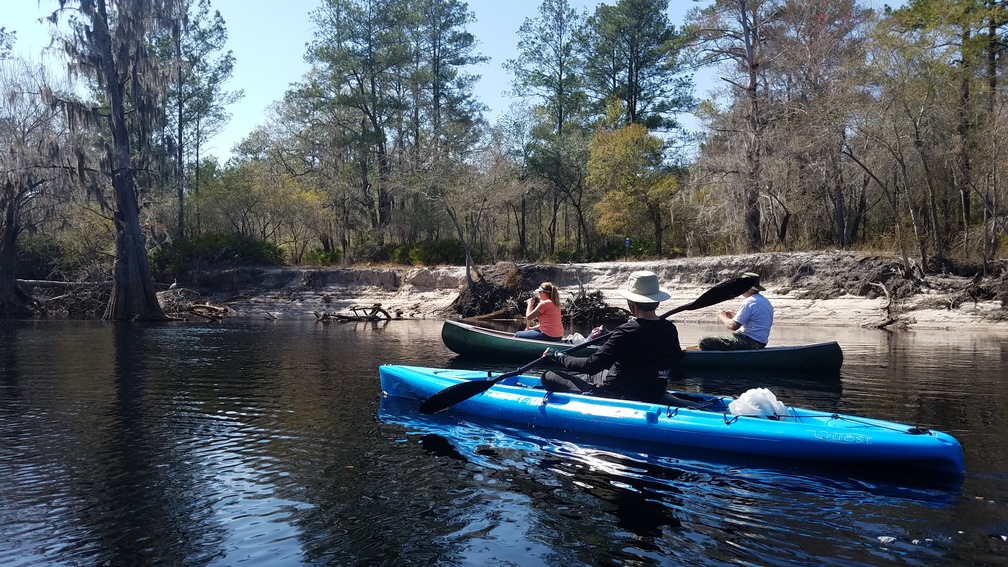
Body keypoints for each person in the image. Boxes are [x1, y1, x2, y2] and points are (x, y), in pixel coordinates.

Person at [540, 271, 682, 402]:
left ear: (631, 302)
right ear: (656, 302)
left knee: (547, 376)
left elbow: (590, 366)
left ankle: (585, 392)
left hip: (616, 394)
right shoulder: (670, 328)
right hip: (654, 392)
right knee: (593, 375)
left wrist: (558, 355)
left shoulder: (626, 331)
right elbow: (675, 360)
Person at [698, 272, 774, 351]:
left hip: (748, 342)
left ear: (747, 288)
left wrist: (721, 316)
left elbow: (733, 326)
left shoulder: (749, 302)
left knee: (704, 342)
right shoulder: (765, 301)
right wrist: (735, 316)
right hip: (760, 343)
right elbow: (754, 323)